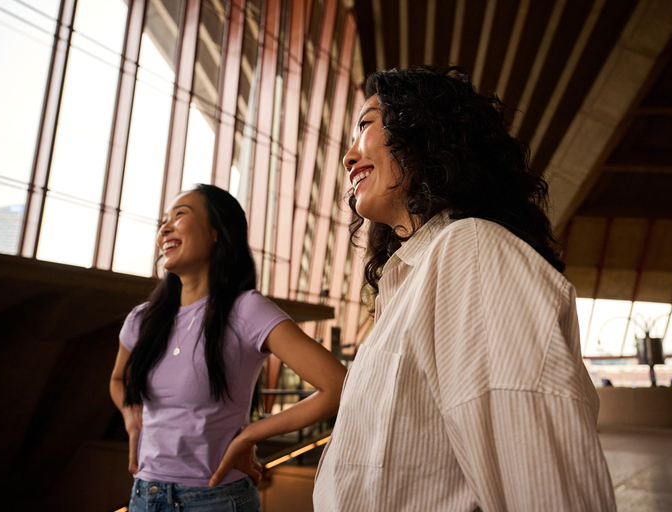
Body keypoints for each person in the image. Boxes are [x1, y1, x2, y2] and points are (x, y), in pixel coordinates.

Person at [313, 67, 616, 511]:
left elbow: (543, 482)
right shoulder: (406, 282)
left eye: (366, 124)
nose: (348, 156)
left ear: (423, 130)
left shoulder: (470, 251)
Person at [110, 184, 346, 512]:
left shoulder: (246, 310)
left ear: (216, 231)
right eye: (164, 220)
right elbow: (118, 379)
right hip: (144, 495)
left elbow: (337, 385)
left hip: (214, 499)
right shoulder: (142, 319)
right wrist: (130, 417)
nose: (165, 227)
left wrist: (249, 436)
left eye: (180, 215)